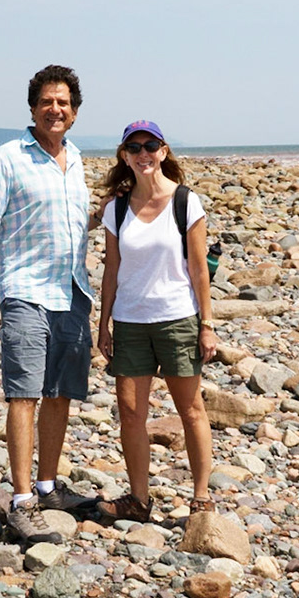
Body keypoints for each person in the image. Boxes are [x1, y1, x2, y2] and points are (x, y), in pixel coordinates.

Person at [0, 65, 98, 545]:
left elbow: (77, 221)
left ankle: (48, 487)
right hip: (26, 292)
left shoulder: (76, 159)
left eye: (64, 102)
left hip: (73, 291)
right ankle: (21, 502)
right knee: (24, 394)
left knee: (60, 393)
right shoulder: (9, 158)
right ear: (33, 107)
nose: (55, 109)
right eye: (47, 101)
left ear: (74, 112)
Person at [95, 121, 216, 522]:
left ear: (163, 152)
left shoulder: (186, 202)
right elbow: (111, 270)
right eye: (135, 147)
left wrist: (207, 323)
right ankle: (139, 500)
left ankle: (201, 497)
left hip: (177, 319)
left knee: (191, 410)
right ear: (125, 156)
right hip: (130, 322)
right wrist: (103, 323)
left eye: (150, 146)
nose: (143, 153)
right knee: (131, 414)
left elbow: (199, 270)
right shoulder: (116, 209)